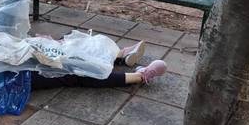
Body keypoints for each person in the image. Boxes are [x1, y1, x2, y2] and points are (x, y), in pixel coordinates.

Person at [30, 40, 168, 90]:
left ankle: (119, 55)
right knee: (73, 72)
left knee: (62, 50)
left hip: (13, 64)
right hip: (16, 79)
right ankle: (140, 76)